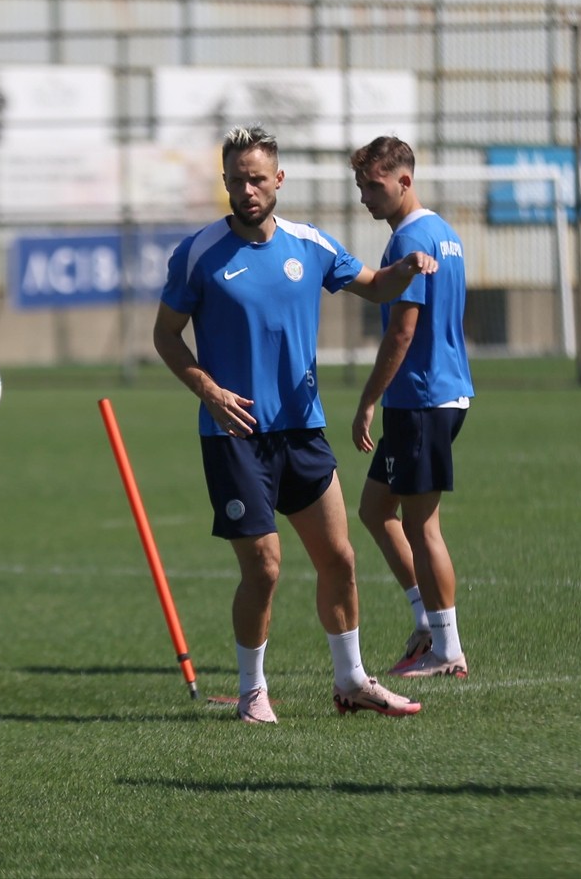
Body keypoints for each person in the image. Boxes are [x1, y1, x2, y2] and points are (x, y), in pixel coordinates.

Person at [153, 124, 435, 724]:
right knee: (265, 567)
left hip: (303, 431)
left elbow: (377, 287)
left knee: (340, 558)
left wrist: (407, 267)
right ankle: (253, 691)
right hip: (234, 436)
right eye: (236, 180)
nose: (247, 190)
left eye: (257, 179)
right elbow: (166, 335)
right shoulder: (199, 253)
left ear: (278, 179)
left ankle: (351, 680)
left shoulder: (311, 244)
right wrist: (206, 389)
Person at [348, 136, 475, 679]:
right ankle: (427, 622)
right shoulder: (443, 233)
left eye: (373, 187)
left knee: (423, 526)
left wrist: (367, 401)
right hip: (438, 392)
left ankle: (447, 649)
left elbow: (403, 333)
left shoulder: (410, 241)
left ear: (404, 181)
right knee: (376, 510)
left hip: (421, 398)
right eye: (360, 188)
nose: (365, 199)